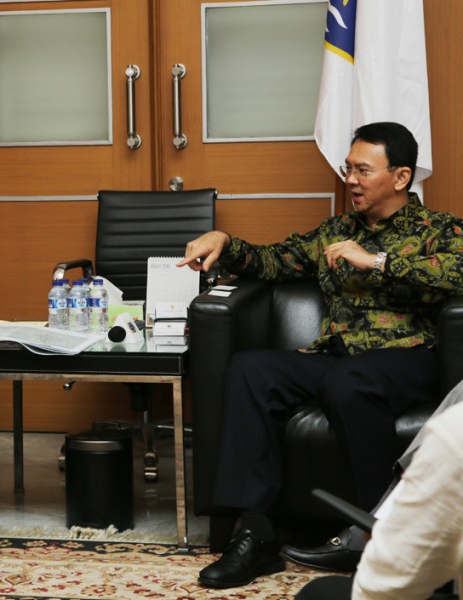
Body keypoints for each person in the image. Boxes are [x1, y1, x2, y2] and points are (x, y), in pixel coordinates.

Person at [177, 122, 463, 589]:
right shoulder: (336, 230)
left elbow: (458, 273)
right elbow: (275, 260)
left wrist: (377, 260)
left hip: (407, 357)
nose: (351, 179)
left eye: (363, 170)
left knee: (348, 381)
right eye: (348, 169)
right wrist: (226, 242)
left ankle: (377, 533)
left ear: (401, 177)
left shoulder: (439, 229)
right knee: (252, 369)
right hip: (337, 357)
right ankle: (255, 533)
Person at [295, 398, 463, 599]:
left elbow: (386, 590)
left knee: (317, 592)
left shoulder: (455, 429)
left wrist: (388, 546)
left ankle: (388, 520)